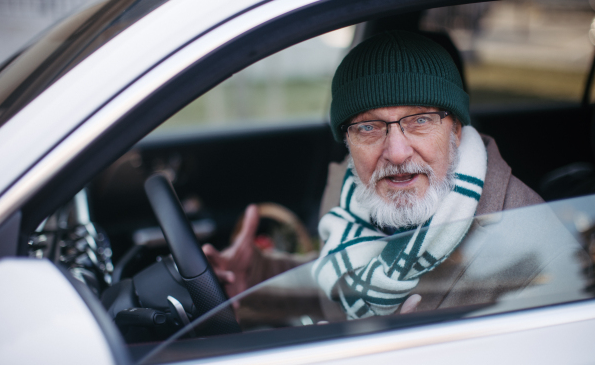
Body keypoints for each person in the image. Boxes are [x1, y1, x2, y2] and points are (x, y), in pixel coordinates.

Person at [203, 30, 551, 318]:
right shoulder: (351, 193)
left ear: (456, 130)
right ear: (348, 141)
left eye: (420, 120)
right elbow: (335, 283)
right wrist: (257, 277)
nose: (397, 153)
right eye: (369, 127)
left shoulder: (533, 241)